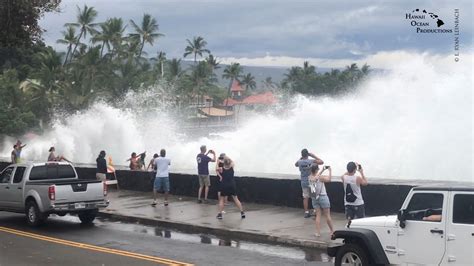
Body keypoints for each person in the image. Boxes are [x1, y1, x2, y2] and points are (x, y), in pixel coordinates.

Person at [295, 148, 324, 218]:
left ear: (302, 155)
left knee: (305, 197)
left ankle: (306, 212)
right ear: (308, 154)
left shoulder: (300, 162)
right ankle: (314, 211)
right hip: (311, 180)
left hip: (303, 182)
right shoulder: (311, 161)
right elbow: (321, 162)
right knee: (313, 196)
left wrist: (301, 158)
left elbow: (295, 164)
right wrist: (313, 156)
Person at [309, 165, 335, 237]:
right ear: (316, 169)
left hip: (315, 198)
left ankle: (318, 232)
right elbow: (329, 179)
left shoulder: (310, 177)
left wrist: (323, 170)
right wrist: (330, 171)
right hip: (323, 197)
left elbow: (316, 176)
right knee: (327, 215)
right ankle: (332, 231)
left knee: (318, 215)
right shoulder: (320, 178)